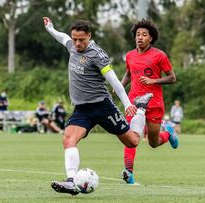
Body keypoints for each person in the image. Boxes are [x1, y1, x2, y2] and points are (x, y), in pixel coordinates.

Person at [44, 17, 152, 195]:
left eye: (81, 40)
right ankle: (71, 182)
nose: (77, 43)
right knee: (68, 139)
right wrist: (50, 29)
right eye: (75, 39)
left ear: (89, 36)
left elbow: (114, 81)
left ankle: (141, 107)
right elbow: (63, 38)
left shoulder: (97, 54)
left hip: (102, 106)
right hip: (82, 109)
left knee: (132, 142)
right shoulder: (72, 44)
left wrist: (128, 104)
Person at [120, 19, 178, 184]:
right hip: (134, 103)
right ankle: (128, 172)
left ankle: (168, 133)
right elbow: (129, 74)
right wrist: (119, 86)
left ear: (151, 38)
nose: (140, 37)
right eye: (138, 34)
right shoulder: (130, 55)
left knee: (153, 143)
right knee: (131, 136)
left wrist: (153, 81)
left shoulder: (159, 56)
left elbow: (172, 78)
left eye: (144, 35)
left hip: (154, 104)